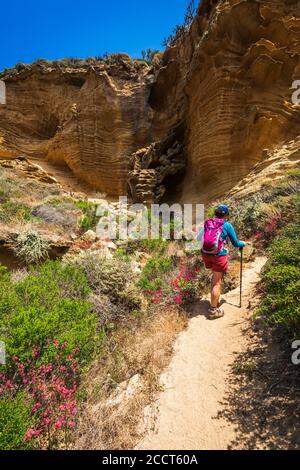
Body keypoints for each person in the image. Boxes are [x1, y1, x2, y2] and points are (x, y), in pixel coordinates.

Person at [197, 204, 246, 320]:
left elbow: (199, 238)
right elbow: (235, 243)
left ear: (215, 213)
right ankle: (213, 310)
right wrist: (242, 244)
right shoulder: (227, 225)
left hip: (206, 254)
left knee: (214, 279)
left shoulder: (208, 223)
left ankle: (215, 299)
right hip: (218, 256)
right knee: (216, 282)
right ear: (225, 215)